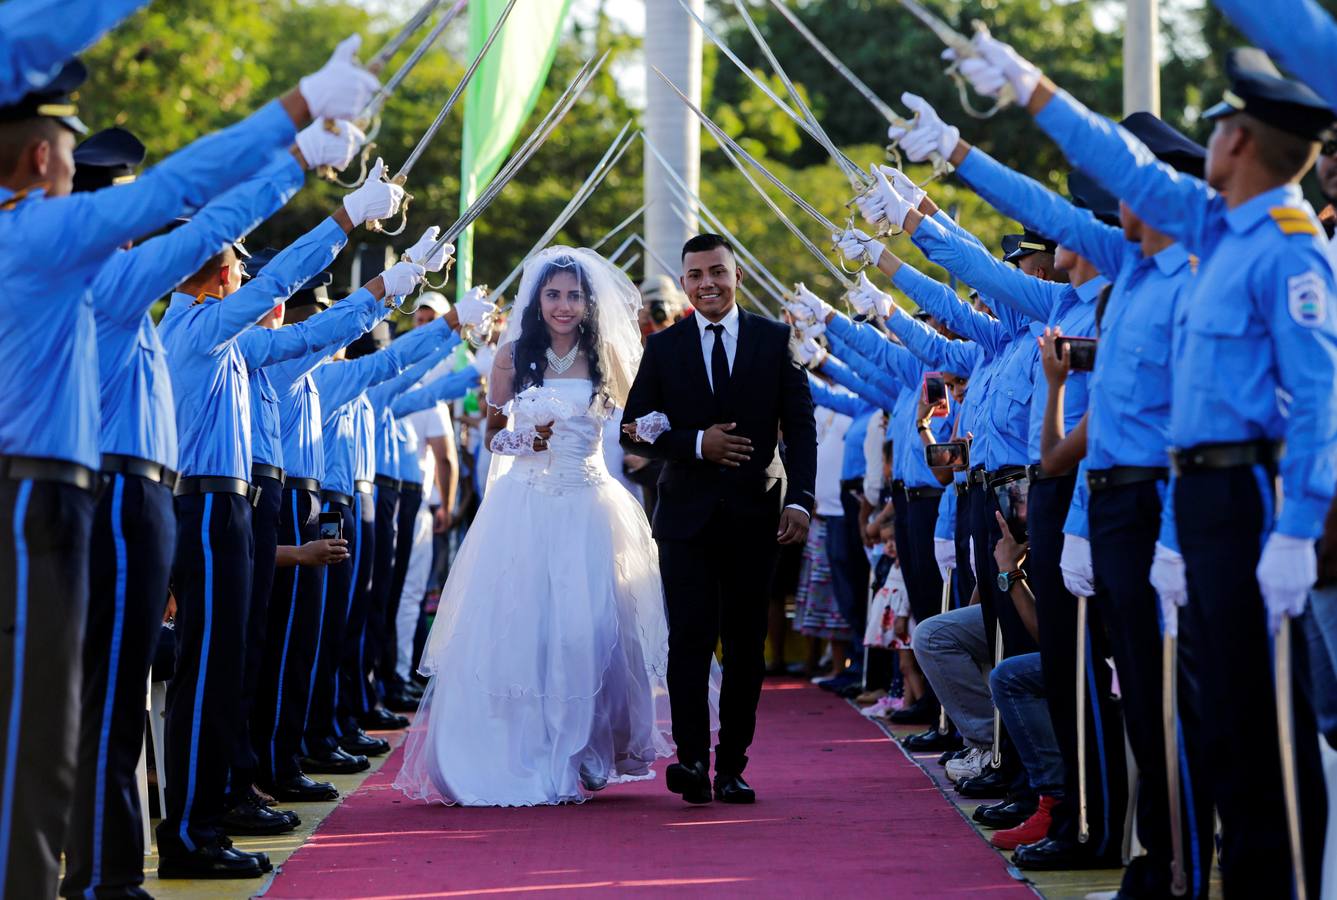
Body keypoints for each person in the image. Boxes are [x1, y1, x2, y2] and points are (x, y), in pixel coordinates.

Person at [959, 34, 1337, 897]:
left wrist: (1297, 529)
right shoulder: (1221, 228)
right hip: (1192, 497)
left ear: (1239, 143)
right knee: (1219, 724)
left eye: (1223, 128)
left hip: (1248, 495)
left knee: (1261, 725)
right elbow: (1115, 171)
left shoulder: (1284, 246)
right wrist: (1029, 94)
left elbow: (1317, 401)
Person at [0, 37, 376, 895]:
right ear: (40, 163)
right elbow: (200, 214)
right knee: (102, 708)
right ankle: (107, 878)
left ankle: (98, 872)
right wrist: (300, 147)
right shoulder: (101, 276)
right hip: (104, 493)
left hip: (105, 493)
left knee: (82, 708)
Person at [394, 246, 679, 807]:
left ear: (588, 300)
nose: (564, 306)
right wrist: (529, 440)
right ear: (537, 299)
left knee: (590, 632)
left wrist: (657, 425)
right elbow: (494, 435)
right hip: (525, 507)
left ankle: (590, 746)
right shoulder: (512, 355)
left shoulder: (608, 357)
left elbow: (632, 421)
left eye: (574, 295)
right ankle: (538, 747)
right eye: (554, 294)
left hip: (592, 507)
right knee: (531, 632)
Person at [621, 233, 817, 805]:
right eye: (696, 275)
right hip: (684, 517)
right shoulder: (663, 348)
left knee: (745, 641)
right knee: (689, 639)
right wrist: (695, 443)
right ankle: (689, 761)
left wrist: (801, 499)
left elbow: (801, 427)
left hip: (759, 515)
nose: (707, 283)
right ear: (683, 283)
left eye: (717, 272)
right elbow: (636, 426)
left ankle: (732, 765)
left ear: (736, 275)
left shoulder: (775, 340)